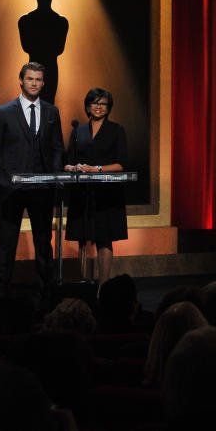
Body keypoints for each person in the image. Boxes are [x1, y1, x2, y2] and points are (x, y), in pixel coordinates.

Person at [0, 62, 63, 298]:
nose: (34, 83)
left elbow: (58, 147)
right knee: (7, 244)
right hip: (12, 188)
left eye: (38, 80)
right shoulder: (3, 112)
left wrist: (55, 176)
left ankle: (47, 294)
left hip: (42, 188)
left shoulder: (52, 112)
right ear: (21, 80)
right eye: (30, 79)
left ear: (43, 83)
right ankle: (2, 295)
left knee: (43, 243)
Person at [63, 88, 128, 286]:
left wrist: (97, 169)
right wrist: (74, 167)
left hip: (107, 193)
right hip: (82, 192)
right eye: (94, 103)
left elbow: (121, 164)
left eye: (103, 104)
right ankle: (85, 284)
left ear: (108, 108)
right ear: (87, 106)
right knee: (82, 237)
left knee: (104, 238)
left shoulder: (116, 130)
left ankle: (103, 286)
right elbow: (67, 162)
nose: (98, 107)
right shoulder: (78, 130)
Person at [18, 0, 69, 106]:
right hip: (50, 69)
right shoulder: (61, 22)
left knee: (32, 105)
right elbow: (59, 49)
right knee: (48, 104)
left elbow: (26, 47)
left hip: (33, 68)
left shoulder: (25, 20)